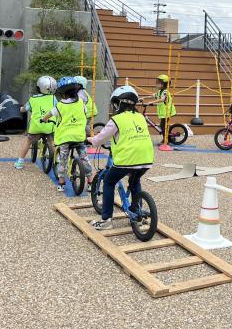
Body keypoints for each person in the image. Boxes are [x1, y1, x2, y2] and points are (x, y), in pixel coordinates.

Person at [87, 85, 154, 231]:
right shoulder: (140, 117)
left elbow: (100, 139)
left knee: (109, 182)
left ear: (117, 103)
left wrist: (91, 140)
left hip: (126, 159)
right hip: (147, 158)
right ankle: (136, 211)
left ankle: (106, 220)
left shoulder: (116, 119)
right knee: (135, 180)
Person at [40, 76, 91, 192]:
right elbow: (85, 113)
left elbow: (49, 114)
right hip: (79, 137)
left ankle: (62, 184)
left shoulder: (60, 105)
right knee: (84, 158)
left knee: (62, 160)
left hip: (65, 138)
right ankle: (90, 182)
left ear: (62, 93)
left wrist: (43, 119)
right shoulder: (81, 103)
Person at [14, 76, 57, 170]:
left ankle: (20, 162)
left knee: (28, 141)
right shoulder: (54, 98)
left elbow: (24, 109)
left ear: (39, 88)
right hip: (49, 125)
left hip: (36, 126)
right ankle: (57, 160)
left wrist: (21, 109)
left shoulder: (33, 99)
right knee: (52, 141)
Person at [142, 74, 176, 143]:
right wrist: (143, 98)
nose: (157, 84)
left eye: (159, 83)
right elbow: (153, 95)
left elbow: (162, 99)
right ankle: (167, 138)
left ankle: (165, 141)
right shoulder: (160, 92)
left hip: (167, 112)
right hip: (163, 113)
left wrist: (151, 102)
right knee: (163, 126)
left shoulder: (165, 92)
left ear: (164, 84)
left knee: (163, 127)